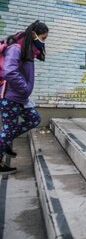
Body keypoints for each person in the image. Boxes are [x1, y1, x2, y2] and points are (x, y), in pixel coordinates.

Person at [0, 20, 48, 175]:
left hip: (20, 98)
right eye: (43, 38)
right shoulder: (16, 48)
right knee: (8, 129)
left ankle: (5, 139)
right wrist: (25, 88)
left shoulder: (28, 49)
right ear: (34, 34)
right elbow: (9, 71)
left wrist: (25, 93)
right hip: (10, 97)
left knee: (34, 119)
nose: (43, 42)